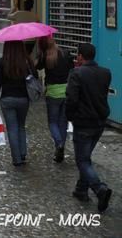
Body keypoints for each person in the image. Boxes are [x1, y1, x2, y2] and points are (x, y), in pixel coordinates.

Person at [66, 43, 112, 212]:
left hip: (83, 122)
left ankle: (100, 189)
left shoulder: (76, 74)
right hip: (99, 122)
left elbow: (71, 98)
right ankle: (81, 189)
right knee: (86, 157)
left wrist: (69, 116)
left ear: (80, 56)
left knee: (82, 160)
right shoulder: (106, 72)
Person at [0, 41, 36, 166]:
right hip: (23, 99)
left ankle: (16, 158)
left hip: (7, 99)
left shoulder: (2, 62)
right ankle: (22, 153)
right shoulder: (26, 61)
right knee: (21, 126)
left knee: (12, 128)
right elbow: (35, 76)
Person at [36, 36, 75, 163]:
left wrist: (39, 53)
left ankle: (59, 144)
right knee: (62, 123)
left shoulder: (45, 57)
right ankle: (61, 151)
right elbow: (72, 69)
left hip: (52, 93)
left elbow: (37, 67)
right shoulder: (66, 54)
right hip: (66, 91)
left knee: (52, 122)